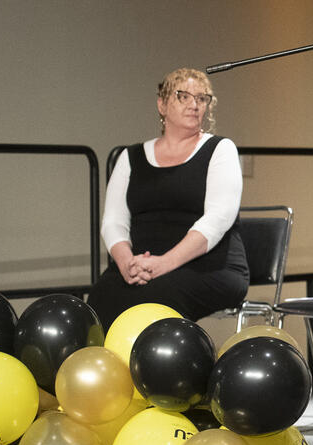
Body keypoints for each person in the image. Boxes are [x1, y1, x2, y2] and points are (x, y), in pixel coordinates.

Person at [88, 68, 248, 328]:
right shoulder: (130, 157)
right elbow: (113, 221)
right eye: (183, 96)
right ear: (162, 105)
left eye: (202, 98)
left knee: (155, 299)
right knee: (100, 298)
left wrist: (164, 263)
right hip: (142, 267)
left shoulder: (220, 149)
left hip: (209, 268)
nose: (194, 104)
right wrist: (127, 263)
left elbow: (218, 219)